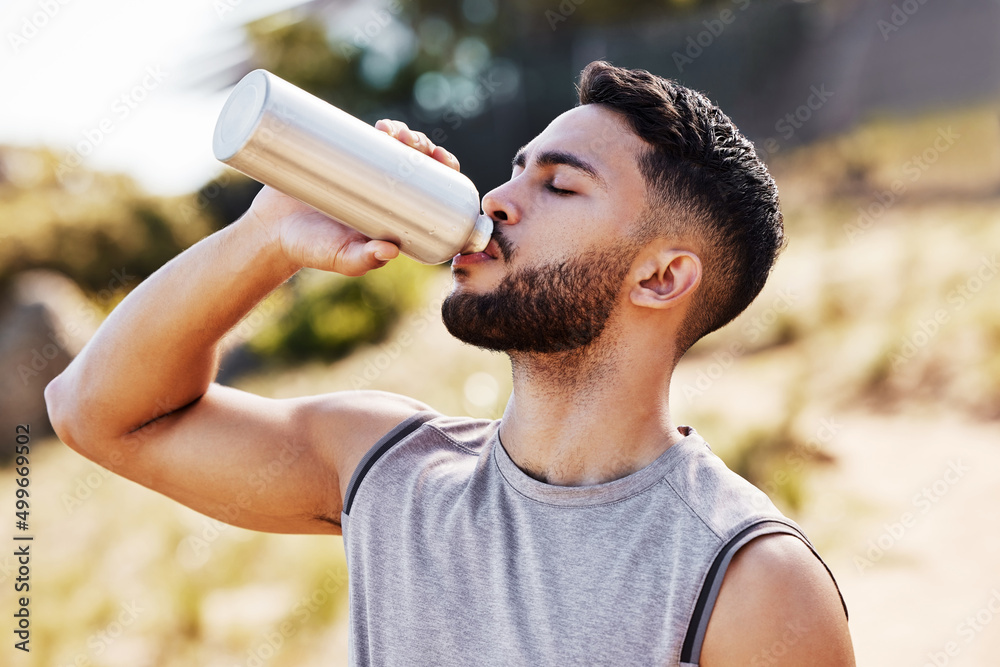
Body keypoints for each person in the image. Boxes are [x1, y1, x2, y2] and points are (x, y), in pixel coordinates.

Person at [45, 61, 854, 665]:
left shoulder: (748, 578)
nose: (497, 201)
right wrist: (267, 238)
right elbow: (92, 411)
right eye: (512, 171)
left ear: (663, 275)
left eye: (560, 187)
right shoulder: (384, 465)